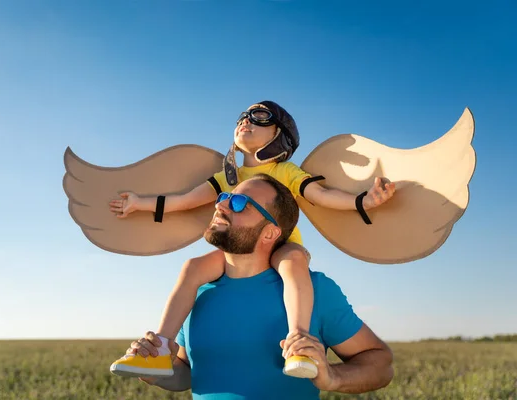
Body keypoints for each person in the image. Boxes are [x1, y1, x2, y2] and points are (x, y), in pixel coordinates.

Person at [109, 101, 395, 379]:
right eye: (243, 116)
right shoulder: (227, 177)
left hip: (282, 244)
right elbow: (186, 200)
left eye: (259, 116)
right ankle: (160, 347)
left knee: (294, 260)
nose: (246, 120)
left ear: (280, 134)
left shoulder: (286, 171)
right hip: (239, 251)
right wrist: (139, 203)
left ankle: (299, 342)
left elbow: (320, 195)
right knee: (192, 267)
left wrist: (363, 202)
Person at [115, 174, 394, 399]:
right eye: (225, 198)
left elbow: (380, 363)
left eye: (240, 204)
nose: (220, 205)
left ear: (270, 232)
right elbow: (188, 373)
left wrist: (333, 377)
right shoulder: (197, 292)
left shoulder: (314, 290)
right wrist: (155, 374)